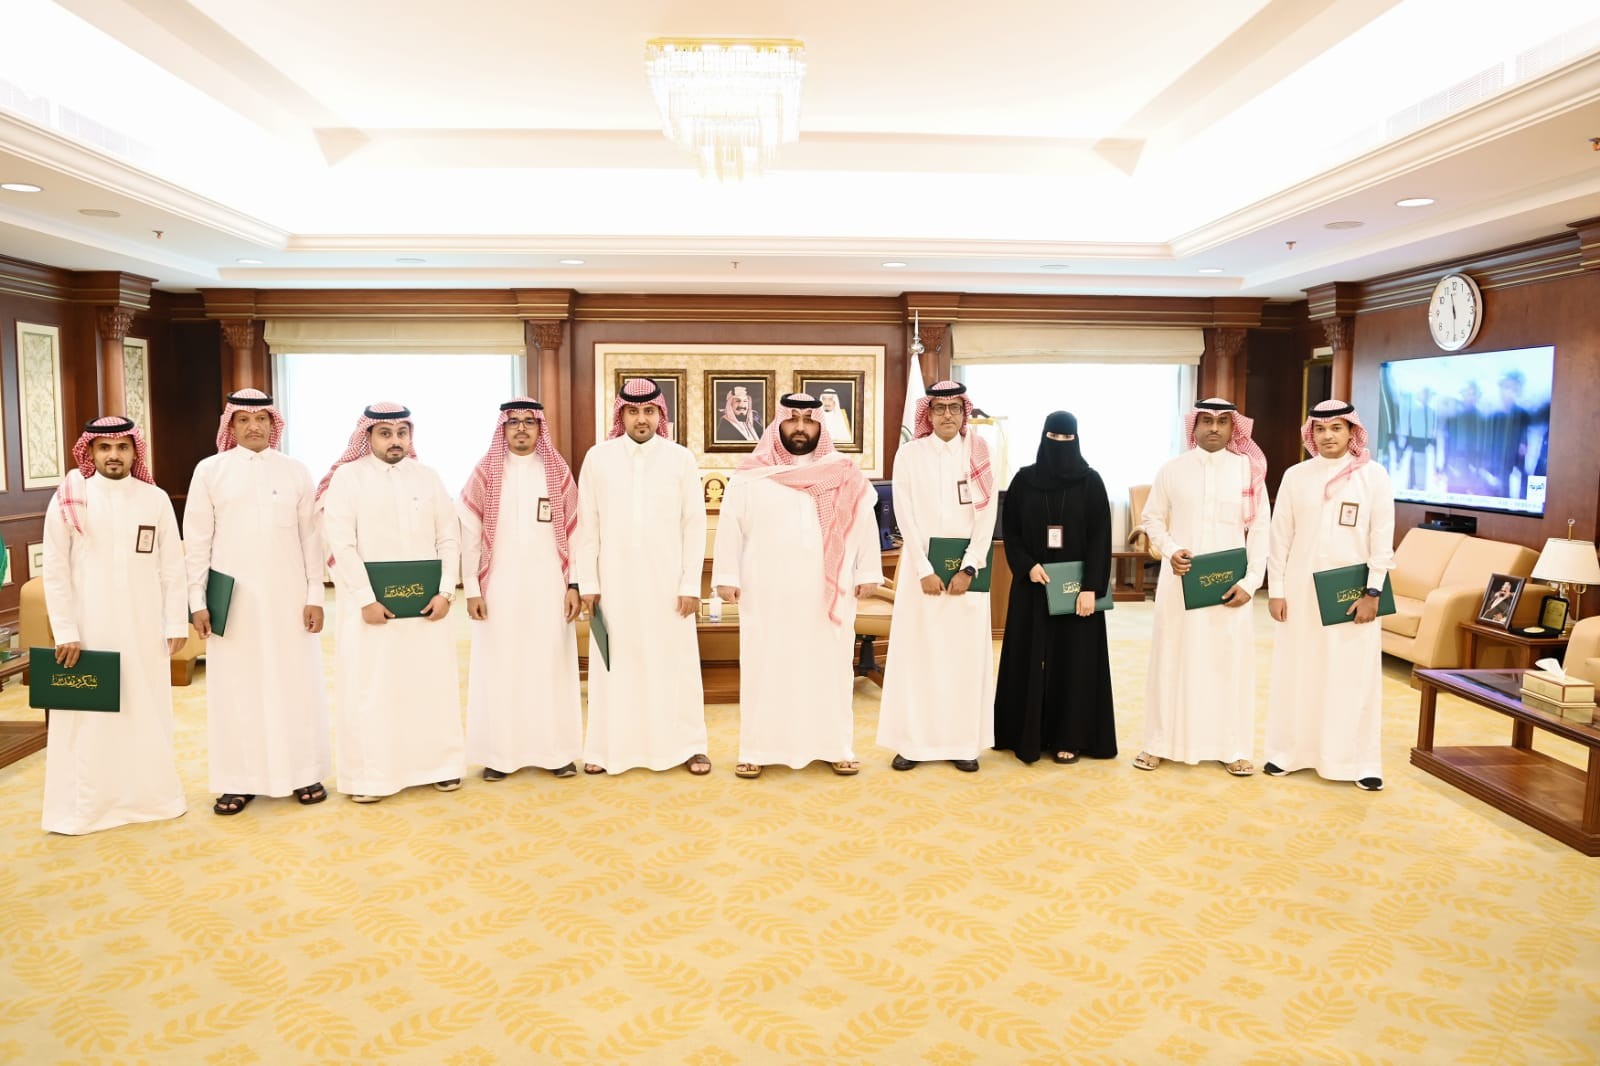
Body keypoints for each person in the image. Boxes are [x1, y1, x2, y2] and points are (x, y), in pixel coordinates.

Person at [714, 394, 883, 778]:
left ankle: (835, 746)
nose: (801, 427)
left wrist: (868, 572)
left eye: (809, 419)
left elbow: (864, 522)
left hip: (827, 593)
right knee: (764, 667)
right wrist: (726, 576)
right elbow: (730, 526)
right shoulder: (751, 475)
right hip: (766, 591)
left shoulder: (844, 472)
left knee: (829, 668)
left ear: (820, 425)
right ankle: (757, 749)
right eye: (793, 419)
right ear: (778, 424)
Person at [183, 389, 331, 815]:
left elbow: (310, 539)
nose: (254, 427)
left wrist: (315, 595)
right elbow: (197, 541)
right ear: (230, 426)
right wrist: (197, 600)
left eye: (262, 419)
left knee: (295, 684)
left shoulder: (295, 471)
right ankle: (237, 780)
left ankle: (303, 772)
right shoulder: (210, 471)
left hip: (289, 598)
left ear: (273, 423)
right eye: (244, 420)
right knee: (236, 689)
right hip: (233, 602)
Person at [40, 416, 188, 834]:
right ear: (89, 452)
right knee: (92, 717)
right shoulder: (71, 497)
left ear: (135, 451)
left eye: (123, 447)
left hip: (145, 627)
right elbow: (55, 570)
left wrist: (175, 622)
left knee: (146, 707)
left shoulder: (154, 498)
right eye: (104, 448)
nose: (114, 455)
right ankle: (90, 805)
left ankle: (151, 798)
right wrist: (66, 630)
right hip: (90, 628)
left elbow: (171, 566)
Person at [316, 402, 465, 802]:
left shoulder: (428, 477)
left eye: (402, 432)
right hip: (370, 610)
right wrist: (365, 599)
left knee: (429, 685)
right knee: (373, 689)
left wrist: (446, 591)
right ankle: (372, 777)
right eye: (385, 433)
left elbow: (448, 537)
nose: (395, 440)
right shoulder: (348, 478)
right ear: (367, 437)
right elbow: (341, 543)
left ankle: (439, 767)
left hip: (427, 609)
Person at [573, 378, 711, 776]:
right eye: (633, 411)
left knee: (676, 664)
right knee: (613, 664)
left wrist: (690, 584)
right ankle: (605, 749)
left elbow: (694, 524)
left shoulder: (680, 459)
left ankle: (689, 746)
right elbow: (587, 526)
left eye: (649, 411)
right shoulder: (598, 458)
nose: (641, 419)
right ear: (622, 414)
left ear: (659, 414)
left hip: (668, 585)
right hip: (613, 584)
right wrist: (589, 584)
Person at [1134, 398, 1270, 776]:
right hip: (1180, 582)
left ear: (1233, 427)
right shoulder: (1173, 469)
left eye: (1223, 421)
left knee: (1228, 664)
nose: (1214, 427)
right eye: (1206, 420)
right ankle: (1158, 743)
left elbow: (1261, 529)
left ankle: (1232, 747)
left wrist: (1251, 582)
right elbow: (1152, 518)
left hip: (1231, 588)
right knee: (1171, 659)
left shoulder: (1248, 470)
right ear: (1193, 426)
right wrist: (1170, 549)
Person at [1265, 399, 1395, 791]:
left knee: (1352, 676)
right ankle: (1288, 754)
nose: (1328, 436)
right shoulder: (1296, 476)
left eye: (1337, 428)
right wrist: (1276, 590)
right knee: (1298, 672)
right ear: (1311, 434)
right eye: (1320, 429)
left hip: (1351, 596)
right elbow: (1279, 537)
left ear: (1352, 432)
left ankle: (1359, 762)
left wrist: (1373, 592)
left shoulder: (1373, 476)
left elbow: (1381, 538)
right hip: (1301, 592)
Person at [876, 381, 998, 772]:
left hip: (968, 578)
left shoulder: (979, 452)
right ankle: (913, 744)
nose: (947, 415)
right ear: (928, 414)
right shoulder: (910, 454)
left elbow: (987, 515)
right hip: (921, 576)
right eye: (940, 408)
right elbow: (904, 514)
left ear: (964, 413)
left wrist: (970, 566)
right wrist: (924, 569)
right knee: (918, 658)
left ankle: (963, 744)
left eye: (955, 408)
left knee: (963, 660)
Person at [459, 398, 582, 781]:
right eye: (514, 422)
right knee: (501, 667)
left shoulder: (557, 472)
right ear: (503, 428)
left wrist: (574, 584)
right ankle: (499, 755)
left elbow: (576, 535)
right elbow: (469, 536)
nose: (522, 428)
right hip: (498, 588)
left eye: (530, 421)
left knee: (550, 665)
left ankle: (556, 753)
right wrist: (472, 589)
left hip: (550, 587)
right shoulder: (485, 474)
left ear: (540, 427)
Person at [992, 411, 1116, 765]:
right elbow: (1010, 530)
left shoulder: (1091, 482)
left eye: (1067, 438)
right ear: (1043, 436)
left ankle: (1070, 737)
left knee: (1074, 662)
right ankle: (1026, 735)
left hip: (1077, 591)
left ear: (1076, 439)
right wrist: (1026, 565)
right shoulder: (1024, 480)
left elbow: (1101, 537)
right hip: (1033, 584)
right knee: (1029, 657)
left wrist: (1092, 588)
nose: (1060, 444)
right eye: (1054, 437)